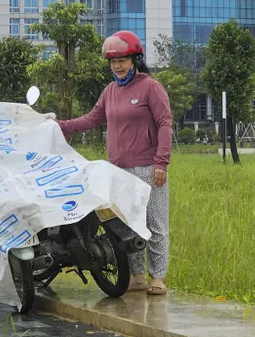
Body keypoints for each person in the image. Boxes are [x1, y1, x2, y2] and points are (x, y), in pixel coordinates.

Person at [57, 30, 173, 295]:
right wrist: (60, 126)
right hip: (118, 170)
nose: (117, 66)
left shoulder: (150, 87)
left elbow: (165, 123)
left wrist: (161, 163)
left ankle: (158, 277)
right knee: (128, 225)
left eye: (122, 60)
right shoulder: (110, 91)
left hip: (147, 168)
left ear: (134, 59)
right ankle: (136, 275)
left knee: (154, 224)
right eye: (112, 62)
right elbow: (92, 119)